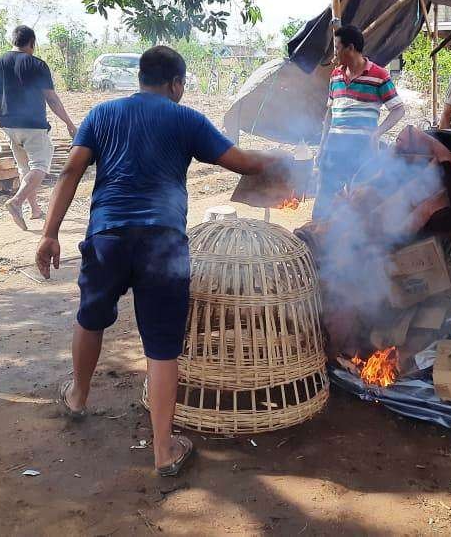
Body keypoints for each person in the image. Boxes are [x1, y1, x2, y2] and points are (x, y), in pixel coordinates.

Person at [35, 45, 275, 477]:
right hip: (162, 242)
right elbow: (242, 163)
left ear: (140, 77)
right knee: (162, 346)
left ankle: (78, 398)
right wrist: (285, 164)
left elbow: (71, 171)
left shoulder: (101, 114)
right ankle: (164, 452)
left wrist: (49, 233)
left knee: (91, 318)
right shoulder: (186, 119)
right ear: (176, 83)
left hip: (107, 237)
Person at [0, 25, 78, 230]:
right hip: (33, 125)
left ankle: (35, 210)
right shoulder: (37, 65)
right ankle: (17, 201)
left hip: (8, 125)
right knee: (40, 166)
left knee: (25, 168)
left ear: (13, 41)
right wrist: (69, 123)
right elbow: (51, 98)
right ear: (32, 42)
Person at [313, 24, 405, 221]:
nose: (335, 53)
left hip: (362, 151)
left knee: (359, 203)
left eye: (337, 48)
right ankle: (315, 239)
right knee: (324, 199)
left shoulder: (379, 75)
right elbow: (330, 112)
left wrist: (377, 132)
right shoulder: (336, 75)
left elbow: (398, 109)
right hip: (334, 149)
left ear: (351, 48)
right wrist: (322, 147)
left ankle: (355, 247)